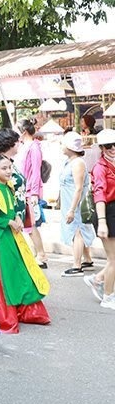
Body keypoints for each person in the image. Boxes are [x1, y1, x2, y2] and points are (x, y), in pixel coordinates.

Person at [0, 154, 50, 334]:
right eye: (4, 168)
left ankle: (24, 308)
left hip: (11, 237)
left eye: (9, 168)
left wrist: (18, 218)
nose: (8, 171)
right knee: (1, 275)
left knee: (19, 271)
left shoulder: (9, 187)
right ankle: (4, 311)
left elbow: (12, 209)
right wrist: (9, 222)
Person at [57, 132, 96, 277]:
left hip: (76, 203)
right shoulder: (70, 162)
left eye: (63, 143)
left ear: (69, 147)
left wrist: (72, 210)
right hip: (70, 201)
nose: (61, 146)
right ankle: (87, 259)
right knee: (79, 228)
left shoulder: (78, 163)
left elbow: (79, 188)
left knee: (77, 230)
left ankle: (77, 265)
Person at [86, 129, 115, 307]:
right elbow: (99, 195)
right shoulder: (99, 167)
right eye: (108, 146)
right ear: (102, 148)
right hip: (107, 212)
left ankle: (97, 279)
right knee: (113, 260)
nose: (112, 148)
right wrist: (102, 222)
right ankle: (108, 296)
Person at [16, 119, 48, 268]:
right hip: (24, 189)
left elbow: (35, 171)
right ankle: (38, 253)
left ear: (23, 132)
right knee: (28, 224)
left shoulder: (34, 147)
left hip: (30, 191)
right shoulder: (25, 146)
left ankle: (41, 254)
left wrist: (34, 193)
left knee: (31, 224)